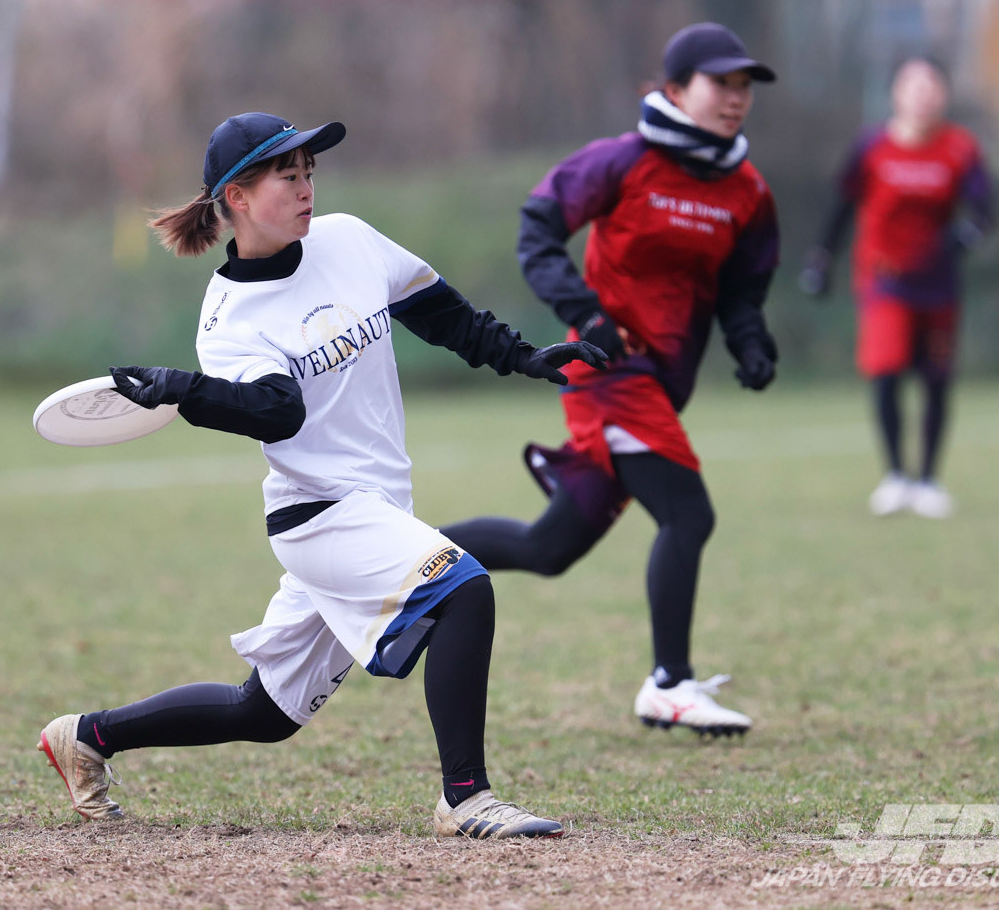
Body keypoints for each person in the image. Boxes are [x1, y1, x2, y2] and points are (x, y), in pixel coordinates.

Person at [36, 112, 607, 838]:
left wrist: (521, 355)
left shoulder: (349, 239)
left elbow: (439, 312)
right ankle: (466, 798)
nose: (307, 187)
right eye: (288, 175)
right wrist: (185, 388)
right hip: (320, 517)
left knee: (263, 712)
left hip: (376, 507)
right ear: (237, 196)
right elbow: (277, 412)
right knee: (464, 587)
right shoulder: (231, 317)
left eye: (310, 172)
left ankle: (87, 735)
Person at [440, 22, 780, 738]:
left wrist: (750, 342)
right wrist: (585, 312)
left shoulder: (748, 190)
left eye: (745, 86)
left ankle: (398, 561)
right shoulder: (622, 162)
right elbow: (537, 228)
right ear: (676, 89)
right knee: (689, 515)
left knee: (549, 549)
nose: (736, 98)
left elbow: (743, 290)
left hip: (661, 385)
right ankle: (669, 684)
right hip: (610, 375)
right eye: (721, 83)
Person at [799, 56, 995, 519]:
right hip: (885, 280)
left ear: (944, 95)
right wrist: (822, 258)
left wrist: (962, 238)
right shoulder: (872, 147)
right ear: (896, 95)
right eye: (913, 87)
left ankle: (928, 480)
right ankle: (895, 477)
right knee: (886, 371)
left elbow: (985, 211)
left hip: (940, 284)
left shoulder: (960, 149)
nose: (923, 96)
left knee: (937, 379)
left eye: (931, 87)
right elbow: (842, 204)